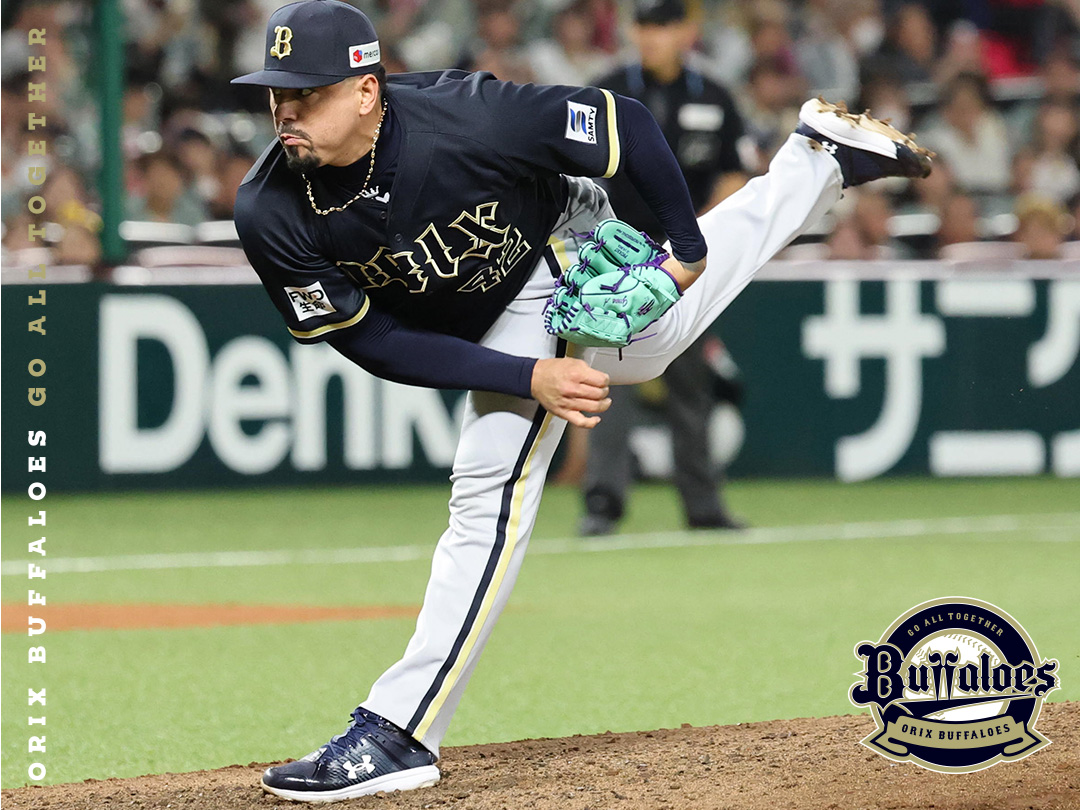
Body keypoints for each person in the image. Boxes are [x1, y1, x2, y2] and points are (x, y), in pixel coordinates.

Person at [230, 0, 932, 802]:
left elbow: (621, 122)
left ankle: (399, 731)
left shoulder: (465, 116)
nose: (285, 110)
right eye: (276, 92)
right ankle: (820, 162)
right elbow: (374, 342)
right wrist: (524, 376)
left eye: (308, 92)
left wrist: (685, 250)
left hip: (555, 246)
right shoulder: (269, 208)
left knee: (490, 486)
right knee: (660, 337)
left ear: (365, 91)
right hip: (482, 314)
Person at [581, 0, 751, 535]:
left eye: (663, 26)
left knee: (690, 382)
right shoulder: (607, 92)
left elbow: (733, 175)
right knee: (610, 381)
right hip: (616, 260)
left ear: (686, 31)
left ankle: (703, 505)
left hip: (685, 261)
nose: (651, 36)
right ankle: (603, 502)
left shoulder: (714, 96)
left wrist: (695, 239)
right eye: (644, 26)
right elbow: (576, 172)